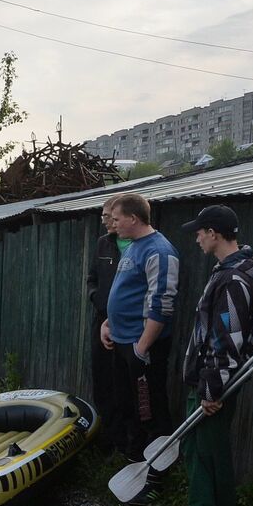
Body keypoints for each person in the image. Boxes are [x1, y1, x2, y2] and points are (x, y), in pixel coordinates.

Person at [176, 205, 253, 506]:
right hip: (213, 381)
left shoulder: (233, 280)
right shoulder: (228, 272)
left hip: (214, 383)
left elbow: (228, 339)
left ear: (215, 233)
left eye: (200, 232)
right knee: (210, 451)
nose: (197, 239)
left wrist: (211, 390)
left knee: (200, 452)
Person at [98, 192, 178, 459]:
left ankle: (156, 471)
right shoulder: (133, 245)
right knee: (127, 404)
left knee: (149, 410)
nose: (113, 223)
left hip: (141, 348)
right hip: (121, 341)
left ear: (133, 218)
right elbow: (127, 294)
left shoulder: (160, 251)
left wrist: (141, 350)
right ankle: (135, 458)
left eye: (117, 219)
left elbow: (161, 305)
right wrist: (108, 323)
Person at [86, 202, 137, 454]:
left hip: (129, 325)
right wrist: (96, 298)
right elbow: (92, 278)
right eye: (104, 217)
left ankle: (129, 443)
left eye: (109, 217)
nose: (106, 222)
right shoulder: (103, 244)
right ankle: (108, 437)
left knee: (126, 383)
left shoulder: (139, 246)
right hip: (102, 320)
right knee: (102, 378)